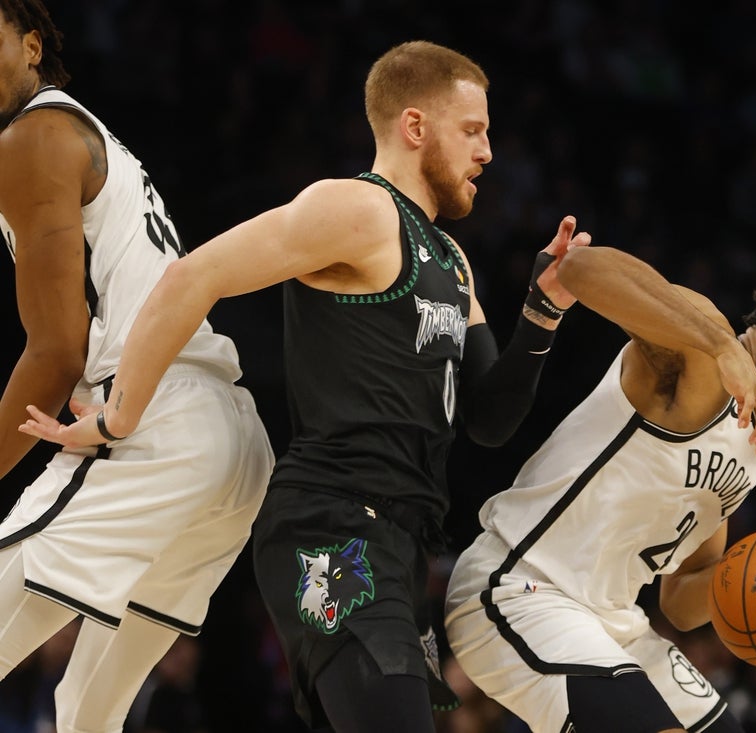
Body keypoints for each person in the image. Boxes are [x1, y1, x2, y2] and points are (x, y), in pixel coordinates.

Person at [18, 39, 590, 733]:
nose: (488, 152)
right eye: (472, 130)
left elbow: (490, 419)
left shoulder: (451, 259)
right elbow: (194, 275)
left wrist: (542, 311)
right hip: (333, 526)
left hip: (402, 543)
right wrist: (119, 416)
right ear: (415, 126)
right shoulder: (358, 209)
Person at [444, 243, 756, 733]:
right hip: (520, 589)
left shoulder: (750, 454)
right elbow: (580, 268)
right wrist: (721, 345)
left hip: (614, 624)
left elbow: (681, 604)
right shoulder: (702, 345)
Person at [0, 2, 274, 731]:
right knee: (86, 716)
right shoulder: (85, 136)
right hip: (232, 444)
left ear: (32, 46)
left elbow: (55, 352)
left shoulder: (32, 137)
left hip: (154, 416)